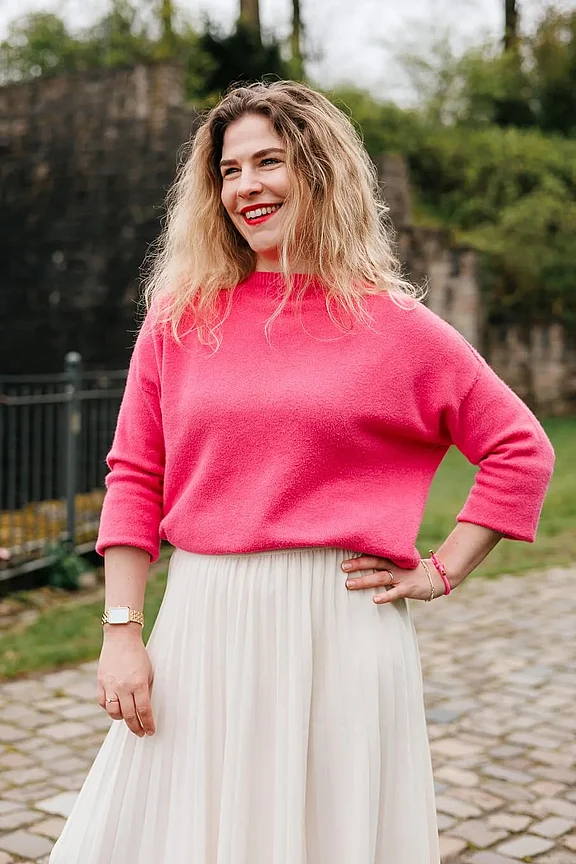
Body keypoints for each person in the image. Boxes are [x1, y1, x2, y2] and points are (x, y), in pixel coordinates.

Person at [49, 81, 555, 864]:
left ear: (320, 171)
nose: (246, 186)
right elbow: (134, 474)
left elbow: (520, 448)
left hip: (342, 631)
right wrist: (122, 632)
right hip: (203, 621)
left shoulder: (394, 324)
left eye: (270, 162)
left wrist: (441, 571)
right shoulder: (182, 315)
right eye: (229, 170)